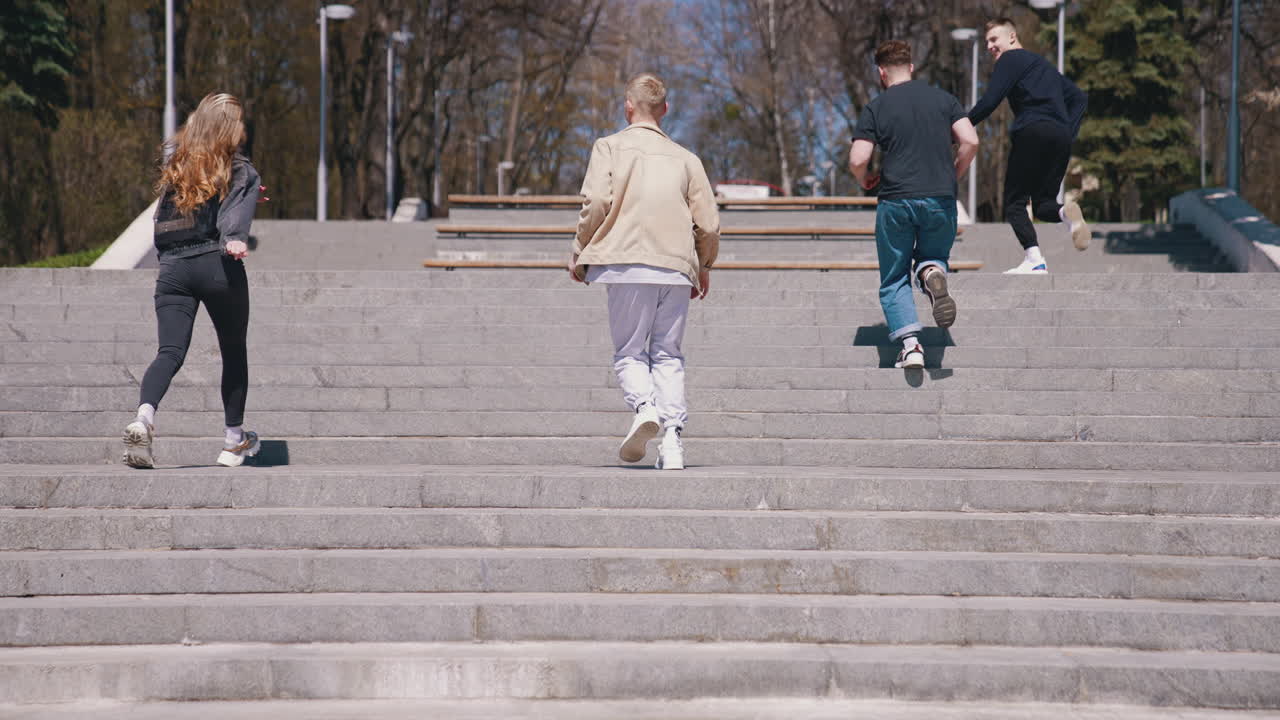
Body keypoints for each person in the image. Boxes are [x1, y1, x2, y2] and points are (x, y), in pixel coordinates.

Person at [569, 72, 720, 470]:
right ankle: (672, 442)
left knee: (630, 352)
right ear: (665, 110)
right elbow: (708, 223)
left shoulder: (609, 147)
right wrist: (703, 265)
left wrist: (580, 249)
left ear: (628, 106)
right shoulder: (687, 159)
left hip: (624, 262)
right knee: (668, 354)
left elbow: (597, 200)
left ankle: (644, 407)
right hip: (674, 266)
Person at [123, 92, 263, 468]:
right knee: (233, 352)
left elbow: (165, 223)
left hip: (172, 269)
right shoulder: (241, 168)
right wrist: (235, 237)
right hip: (217, 265)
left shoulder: (178, 167)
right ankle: (234, 441)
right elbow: (233, 215)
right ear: (230, 129)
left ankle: (144, 418)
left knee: (169, 352)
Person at [849, 40, 980, 370]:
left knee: (894, 277)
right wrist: (954, 174)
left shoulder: (876, 107)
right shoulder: (944, 100)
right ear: (911, 67)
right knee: (932, 257)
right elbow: (970, 140)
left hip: (896, 200)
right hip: (940, 198)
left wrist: (864, 178)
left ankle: (911, 347)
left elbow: (858, 157)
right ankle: (933, 272)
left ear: (881, 73)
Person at [969, 17, 1090, 274]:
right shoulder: (1042, 66)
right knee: (1044, 205)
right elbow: (1079, 98)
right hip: (1059, 138)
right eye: (986, 42)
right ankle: (1066, 215)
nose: (990, 46)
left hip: (1032, 131)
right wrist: (1068, 133)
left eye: (994, 39)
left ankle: (1035, 260)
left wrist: (961, 126)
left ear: (1012, 37)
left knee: (1014, 203)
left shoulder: (1009, 60)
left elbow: (990, 101)